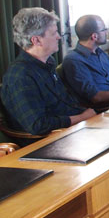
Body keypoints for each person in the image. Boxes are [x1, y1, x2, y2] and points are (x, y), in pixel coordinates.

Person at [1, 8, 95, 136]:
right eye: (54, 33)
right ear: (36, 40)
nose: (58, 37)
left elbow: (66, 104)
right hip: (49, 141)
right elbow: (38, 125)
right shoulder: (21, 76)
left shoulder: (47, 64)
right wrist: (82, 118)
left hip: (75, 129)